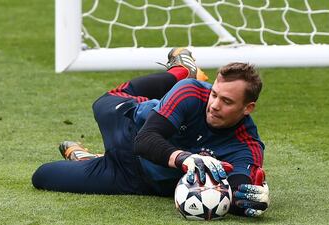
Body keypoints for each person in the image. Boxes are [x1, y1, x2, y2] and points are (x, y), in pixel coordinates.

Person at [32, 48, 270, 217]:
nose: (215, 104)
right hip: (127, 127)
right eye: (215, 94)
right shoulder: (192, 93)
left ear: (248, 108)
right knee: (102, 103)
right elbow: (144, 141)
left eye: (226, 101)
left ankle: (89, 159)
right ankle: (181, 70)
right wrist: (185, 158)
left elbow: (238, 189)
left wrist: (249, 199)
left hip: (130, 179)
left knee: (43, 176)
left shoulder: (247, 145)